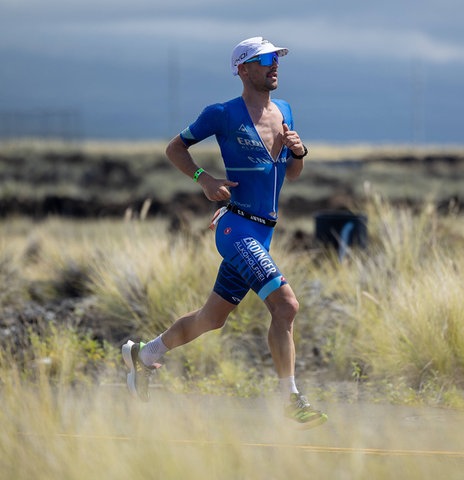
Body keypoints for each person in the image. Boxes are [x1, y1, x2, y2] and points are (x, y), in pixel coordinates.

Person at [122, 36, 327, 426]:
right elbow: (175, 149)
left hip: (263, 231)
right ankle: (291, 399)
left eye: (277, 59)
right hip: (236, 229)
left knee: (211, 319)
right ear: (243, 69)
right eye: (266, 59)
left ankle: (144, 355)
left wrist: (298, 153)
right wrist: (203, 178)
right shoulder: (222, 113)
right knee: (286, 306)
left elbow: (292, 176)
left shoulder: (284, 111)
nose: (275, 65)